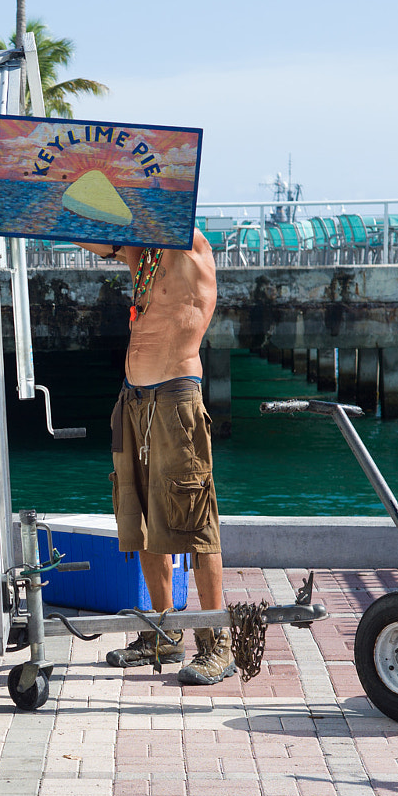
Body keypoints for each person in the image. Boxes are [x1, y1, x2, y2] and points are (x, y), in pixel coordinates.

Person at [74, 228, 232, 685]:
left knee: (195, 518)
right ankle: (163, 631)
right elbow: (90, 236)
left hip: (176, 395)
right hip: (133, 399)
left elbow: (171, 213)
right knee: (140, 515)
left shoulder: (189, 246)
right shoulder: (137, 254)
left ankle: (215, 640)